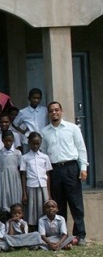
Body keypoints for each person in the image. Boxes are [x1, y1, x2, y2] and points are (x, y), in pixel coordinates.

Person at [41, 101, 88, 246]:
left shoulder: (72, 128)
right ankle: (62, 236)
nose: (54, 113)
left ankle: (80, 235)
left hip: (71, 168)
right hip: (54, 169)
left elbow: (81, 148)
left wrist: (83, 167)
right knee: (58, 203)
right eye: (51, 111)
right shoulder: (45, 132)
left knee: (75, 203)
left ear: (61, 111)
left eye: (56, 110)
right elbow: (43, 152)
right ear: (48, 114)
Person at [20, 132, 52, 226]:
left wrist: (49, 193)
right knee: (32, 210)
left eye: (37, 143)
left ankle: (43, 229)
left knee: (44, 208)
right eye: (33, 143)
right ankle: (33, 229)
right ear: (29, 143)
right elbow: (23, 175)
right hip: (31, 185)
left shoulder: (45, 157)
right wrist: (24, 193)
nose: (35, 146)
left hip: (43, 186)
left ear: (41, 143)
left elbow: (48, 175)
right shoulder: (25, 157)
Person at [0, 130, 22, 211]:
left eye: (10, 141)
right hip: (3, 178)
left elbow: (21, 169)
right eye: (6, 141)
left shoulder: (17, 153)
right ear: (2, 140)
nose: (8, 143)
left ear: (13, 140)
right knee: (5, 197)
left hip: (15, 178)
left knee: (15, 196)